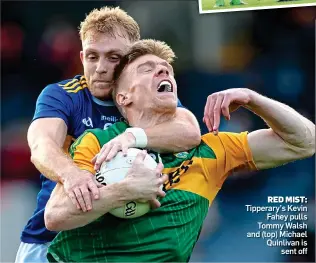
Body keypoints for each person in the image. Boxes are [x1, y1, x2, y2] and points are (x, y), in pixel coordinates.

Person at [44, 39, 315, 262]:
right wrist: (125, 191)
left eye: (166, 69)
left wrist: (252, 99)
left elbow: (304, 142)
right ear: (125, 96)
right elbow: (56, 215)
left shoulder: (210, 151)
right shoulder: (99, 143)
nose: (163, 72)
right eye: (147, 69)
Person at [15, 7, 201, 263]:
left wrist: (131, 137)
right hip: (50, 242)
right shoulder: (63, 95)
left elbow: (189, 131)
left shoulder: (146, 94)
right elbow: (42, 146)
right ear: (82, 56)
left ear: (131, 58)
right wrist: (73, 175)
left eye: (113, 57)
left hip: (117, 246)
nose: (100, 68)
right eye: (92, 57)